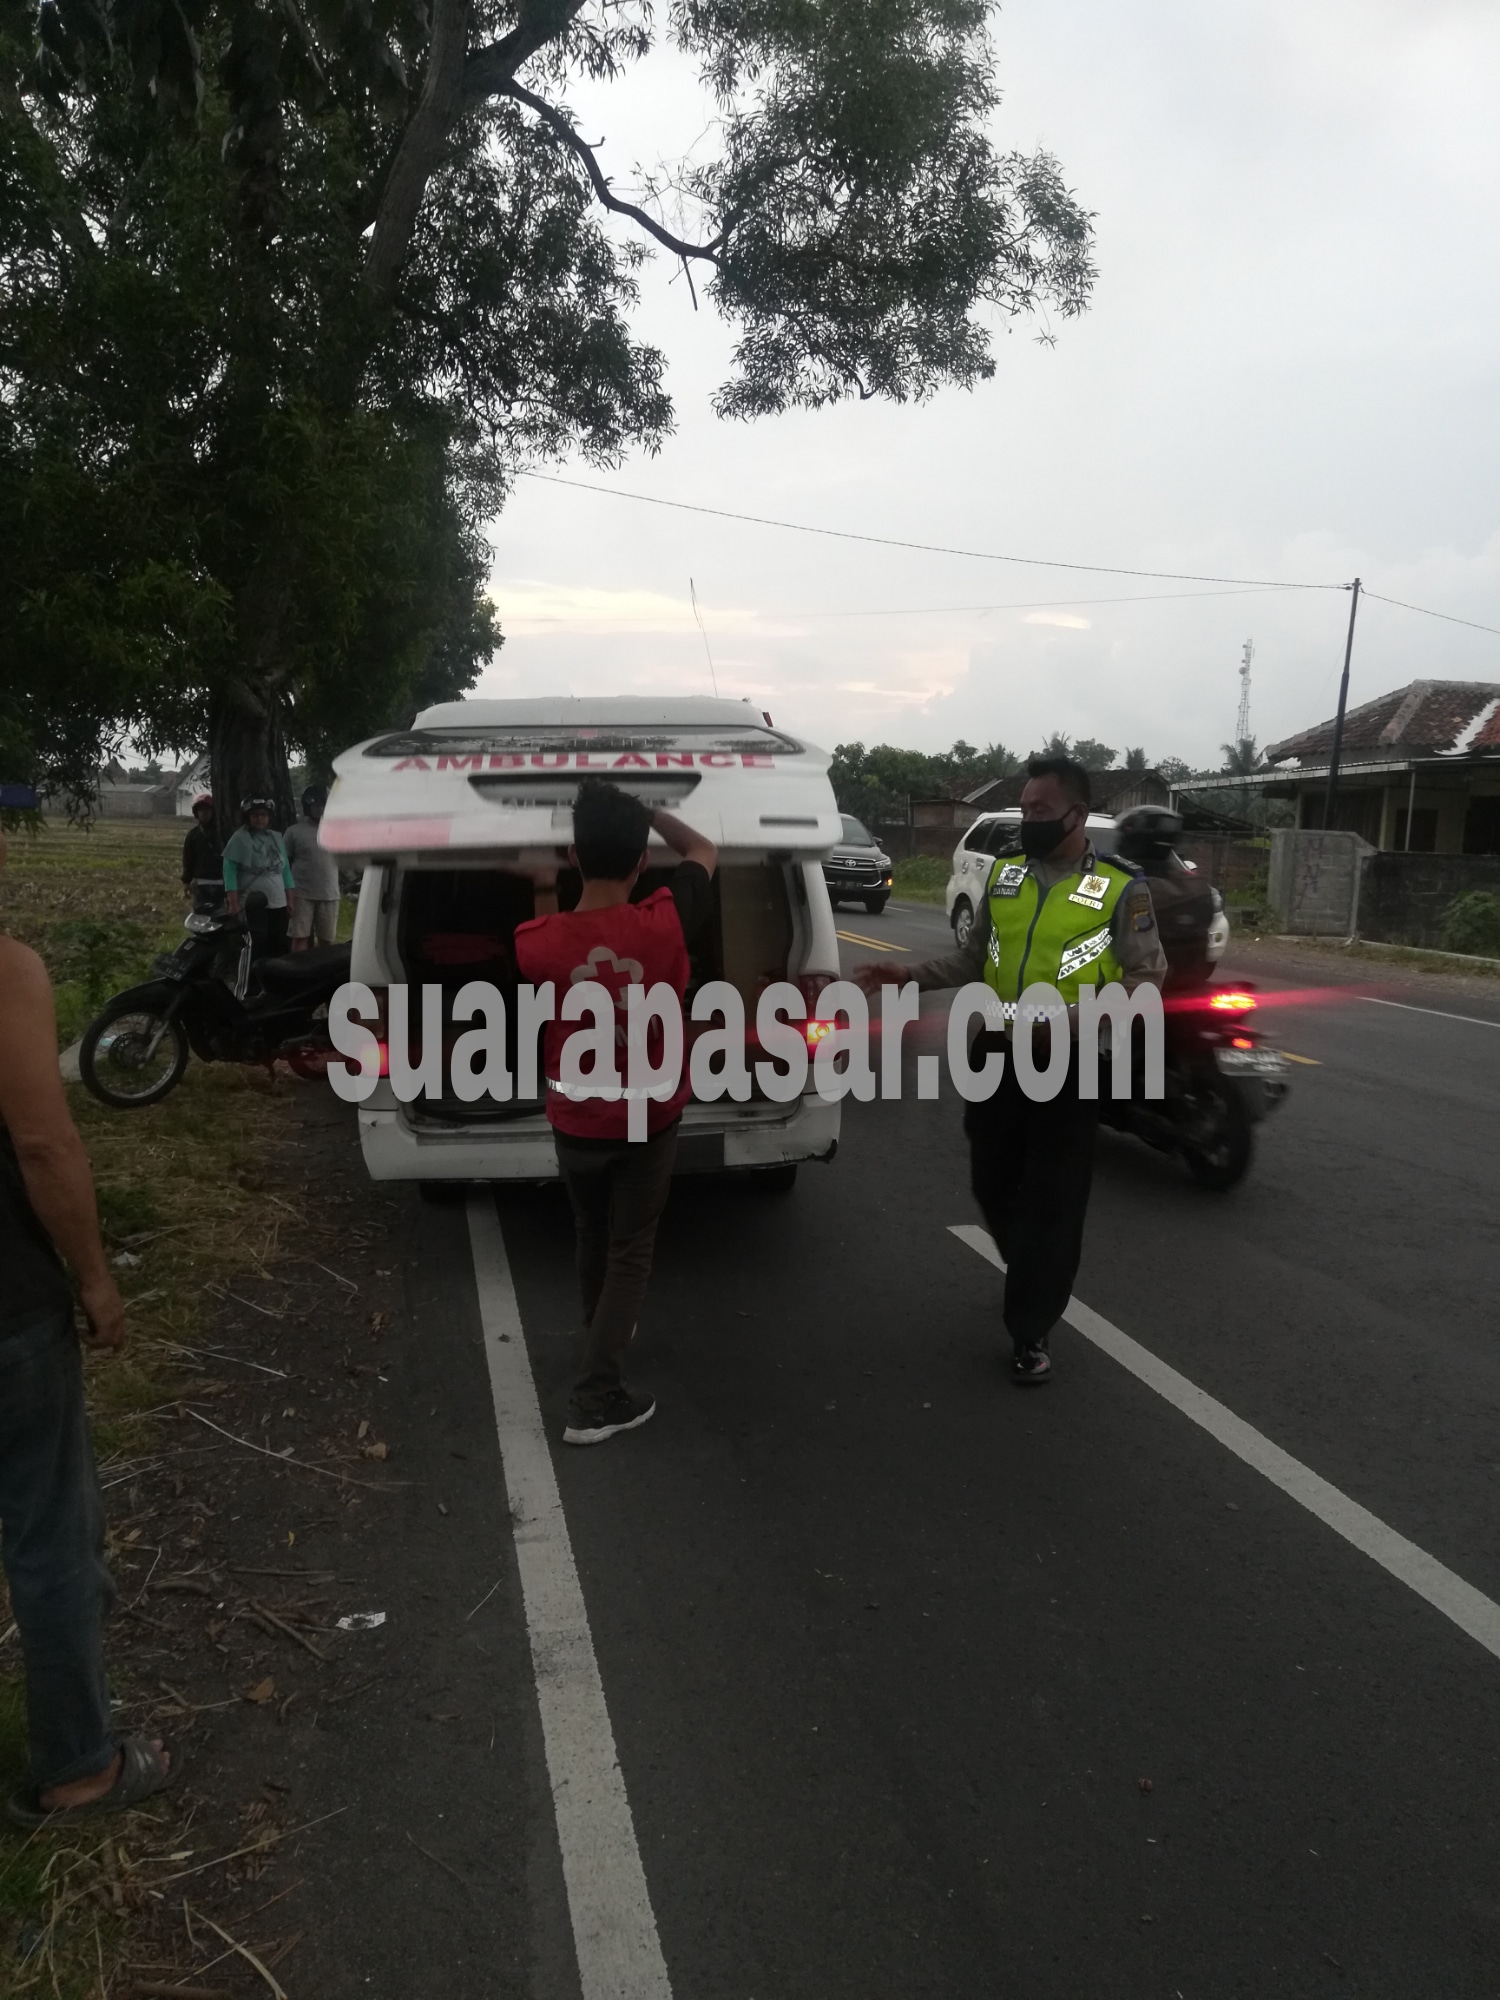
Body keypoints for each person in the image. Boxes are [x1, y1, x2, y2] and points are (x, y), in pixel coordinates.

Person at [853, 756, 1166, 1385]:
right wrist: (907, 974)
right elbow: (973, 960)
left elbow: (1146, 980)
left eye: (1040, 811)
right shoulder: (1003, 878)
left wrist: (1069, 1022)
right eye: (1024, 809)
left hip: (1068, 1066)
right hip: (995, 1052)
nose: (1028, 820)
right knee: (992, 1182)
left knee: (1054, 1199)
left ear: (1077, 816)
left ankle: (1031, 1329)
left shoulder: (1119, 888)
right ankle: (1033, 1270)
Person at [0, 828, 175, 1827]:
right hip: (9, 1309)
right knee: (52, 1536)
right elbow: (42, 1140)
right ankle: (77, 1766)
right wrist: (98, 1276)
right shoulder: (7, 972)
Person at [513, 778, 717, 1446]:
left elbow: (544, 928)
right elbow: (703, 848)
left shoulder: (537, 941)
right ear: (639, 861)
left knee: (591, 1231)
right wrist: (646, 812)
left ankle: (599, 1330)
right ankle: (597, 1397)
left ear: (573, 855)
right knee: (632, 1249)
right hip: (646, 1116)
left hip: (574, 1117)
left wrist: (546, 877)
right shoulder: (663, 919)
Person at [222, 796, 296, 958]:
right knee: (258, 940)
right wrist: (233, 902)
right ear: (248, 817)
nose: (260, 819)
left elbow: (285, 871)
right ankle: (254, 976)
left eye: (263, 815)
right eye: (255, 815)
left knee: (280, 940)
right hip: (252, 900)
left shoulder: (276, 838)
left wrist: (290, 898)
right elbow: (229, 871)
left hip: (278, 899)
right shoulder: (239, 839)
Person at [283, 785, 341, 952]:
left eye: (323, 805)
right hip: (301, 894)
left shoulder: (337, 831)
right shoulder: (294, 832)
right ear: (308, 807)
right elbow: (283, 863)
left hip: (329, 893)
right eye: (316, 806)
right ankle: (298, 973)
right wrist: (288, 894)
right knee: (300, 938)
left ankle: (324, 975)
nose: (320, 809)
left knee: (327, 941)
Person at [179, 795, 222, 905]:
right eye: (200, 810)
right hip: (200, 882)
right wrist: (186, 882)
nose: (203, 813)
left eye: (207, 810)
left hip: (222, 882)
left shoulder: (222, 833)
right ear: (196, 813)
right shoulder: (193, 835)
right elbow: (188, 859)